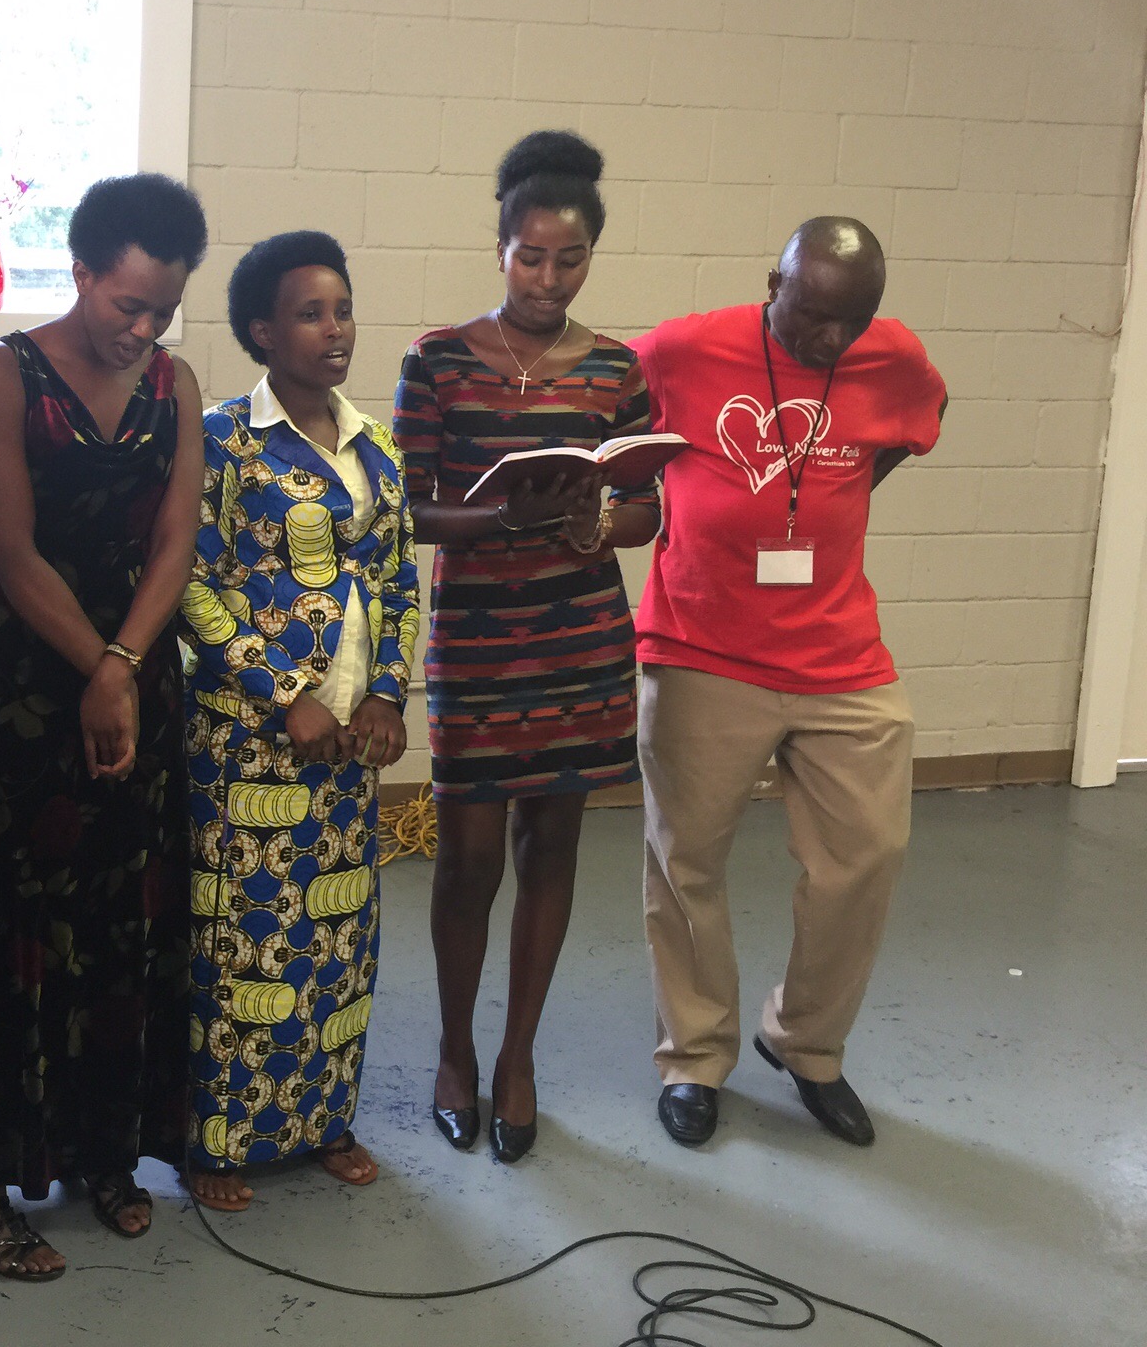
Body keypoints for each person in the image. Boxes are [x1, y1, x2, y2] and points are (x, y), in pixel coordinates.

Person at [0, 174, 207, 1276]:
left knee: (125, 915)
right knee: (19, 921)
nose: (142, 331)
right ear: (82, 271)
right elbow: (9, 552)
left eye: (162, 311)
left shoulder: (176, 383)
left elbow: (177, 540)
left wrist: (127, 666)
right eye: (126, 305)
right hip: (28, 689)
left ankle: (105, 1146)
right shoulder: (1, 375)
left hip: (138, 674)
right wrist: (99, 671)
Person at [634, 217, 947, 1150]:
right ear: (773, 283)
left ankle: (806, 1042)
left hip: (841, 655)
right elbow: (603, 421)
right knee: (687, 862)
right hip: (700, 647)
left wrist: (840, 492)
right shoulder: (685, 349)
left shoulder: (892, 358)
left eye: (850, 323)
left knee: (870, 850)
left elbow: (919, 421)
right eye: (810, 316)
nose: (828, 340)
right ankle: (695, 1055)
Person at [393, 131, 660, 1162]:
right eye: (531, 258)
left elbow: (645, 508)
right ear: (499, 248)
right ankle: (455, 1050)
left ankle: (517, 1058)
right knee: (466, 862)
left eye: (570, 260)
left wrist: (603, 521)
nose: (548, 280)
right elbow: (409, 510)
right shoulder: (437, 361)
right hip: (475, 642)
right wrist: (502, 519)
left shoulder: (617, 369)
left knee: (552, 847)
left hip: (579, 641)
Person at [181, 230, 420, 1212]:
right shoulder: (224, 440)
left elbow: (399, 580)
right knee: (246, 942)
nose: (335, 330)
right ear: (262, 331)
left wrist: (387, 693)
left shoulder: (377, 446)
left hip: (350, 745)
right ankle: (220, 1137)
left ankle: (323, 1122)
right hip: (250, 744)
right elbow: (192, 588)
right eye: (310, 314)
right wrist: (285, 693)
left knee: (337, 939)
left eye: (342, 309)